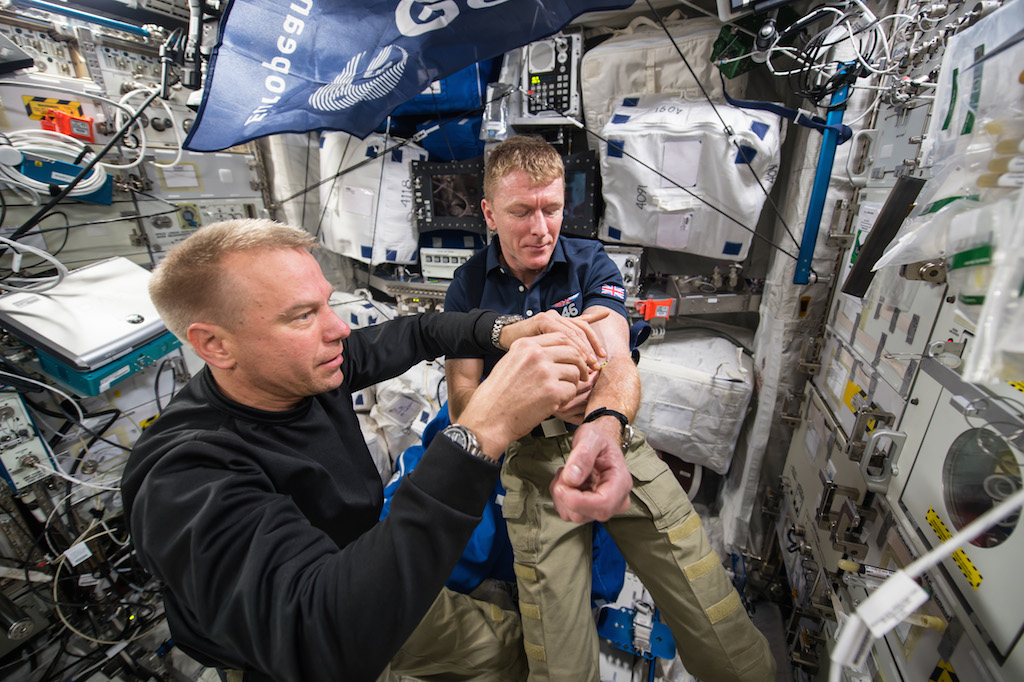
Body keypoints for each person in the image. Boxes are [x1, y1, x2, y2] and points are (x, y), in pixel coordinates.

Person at [120, 218, 625, 682]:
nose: (338, 328)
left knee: (506, 650)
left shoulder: (306, 372)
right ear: (215, 345)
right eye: (302, 316)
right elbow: (322, 639)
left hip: (373, 568)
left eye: (326, 303)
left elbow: (418, 332)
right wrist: (480, 432)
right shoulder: (184, 477)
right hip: (312, 648)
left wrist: (502, 329)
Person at [444, 136, 776, 681]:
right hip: (531, 467)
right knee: (559, 662)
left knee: (717, 620)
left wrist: (603, 417)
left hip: (609, 437)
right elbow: (464, 405)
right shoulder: (467, 288)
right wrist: (536, 380)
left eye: (552, 209)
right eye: (521, 212)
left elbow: (616, 356)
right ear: (488, 213)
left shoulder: (588, 262)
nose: (541, 228)